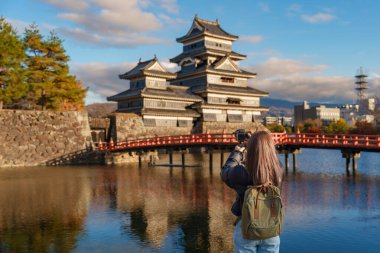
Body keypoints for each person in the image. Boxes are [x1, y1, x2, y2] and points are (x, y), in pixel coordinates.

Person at [221, 131, 283, 253]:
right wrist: (259, 142)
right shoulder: (279, 169)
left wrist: (238, 151)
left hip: (246, 228)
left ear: (251, 148)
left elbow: (225, 173)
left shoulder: (241, 171)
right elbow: (268, 162)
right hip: (271, 229)